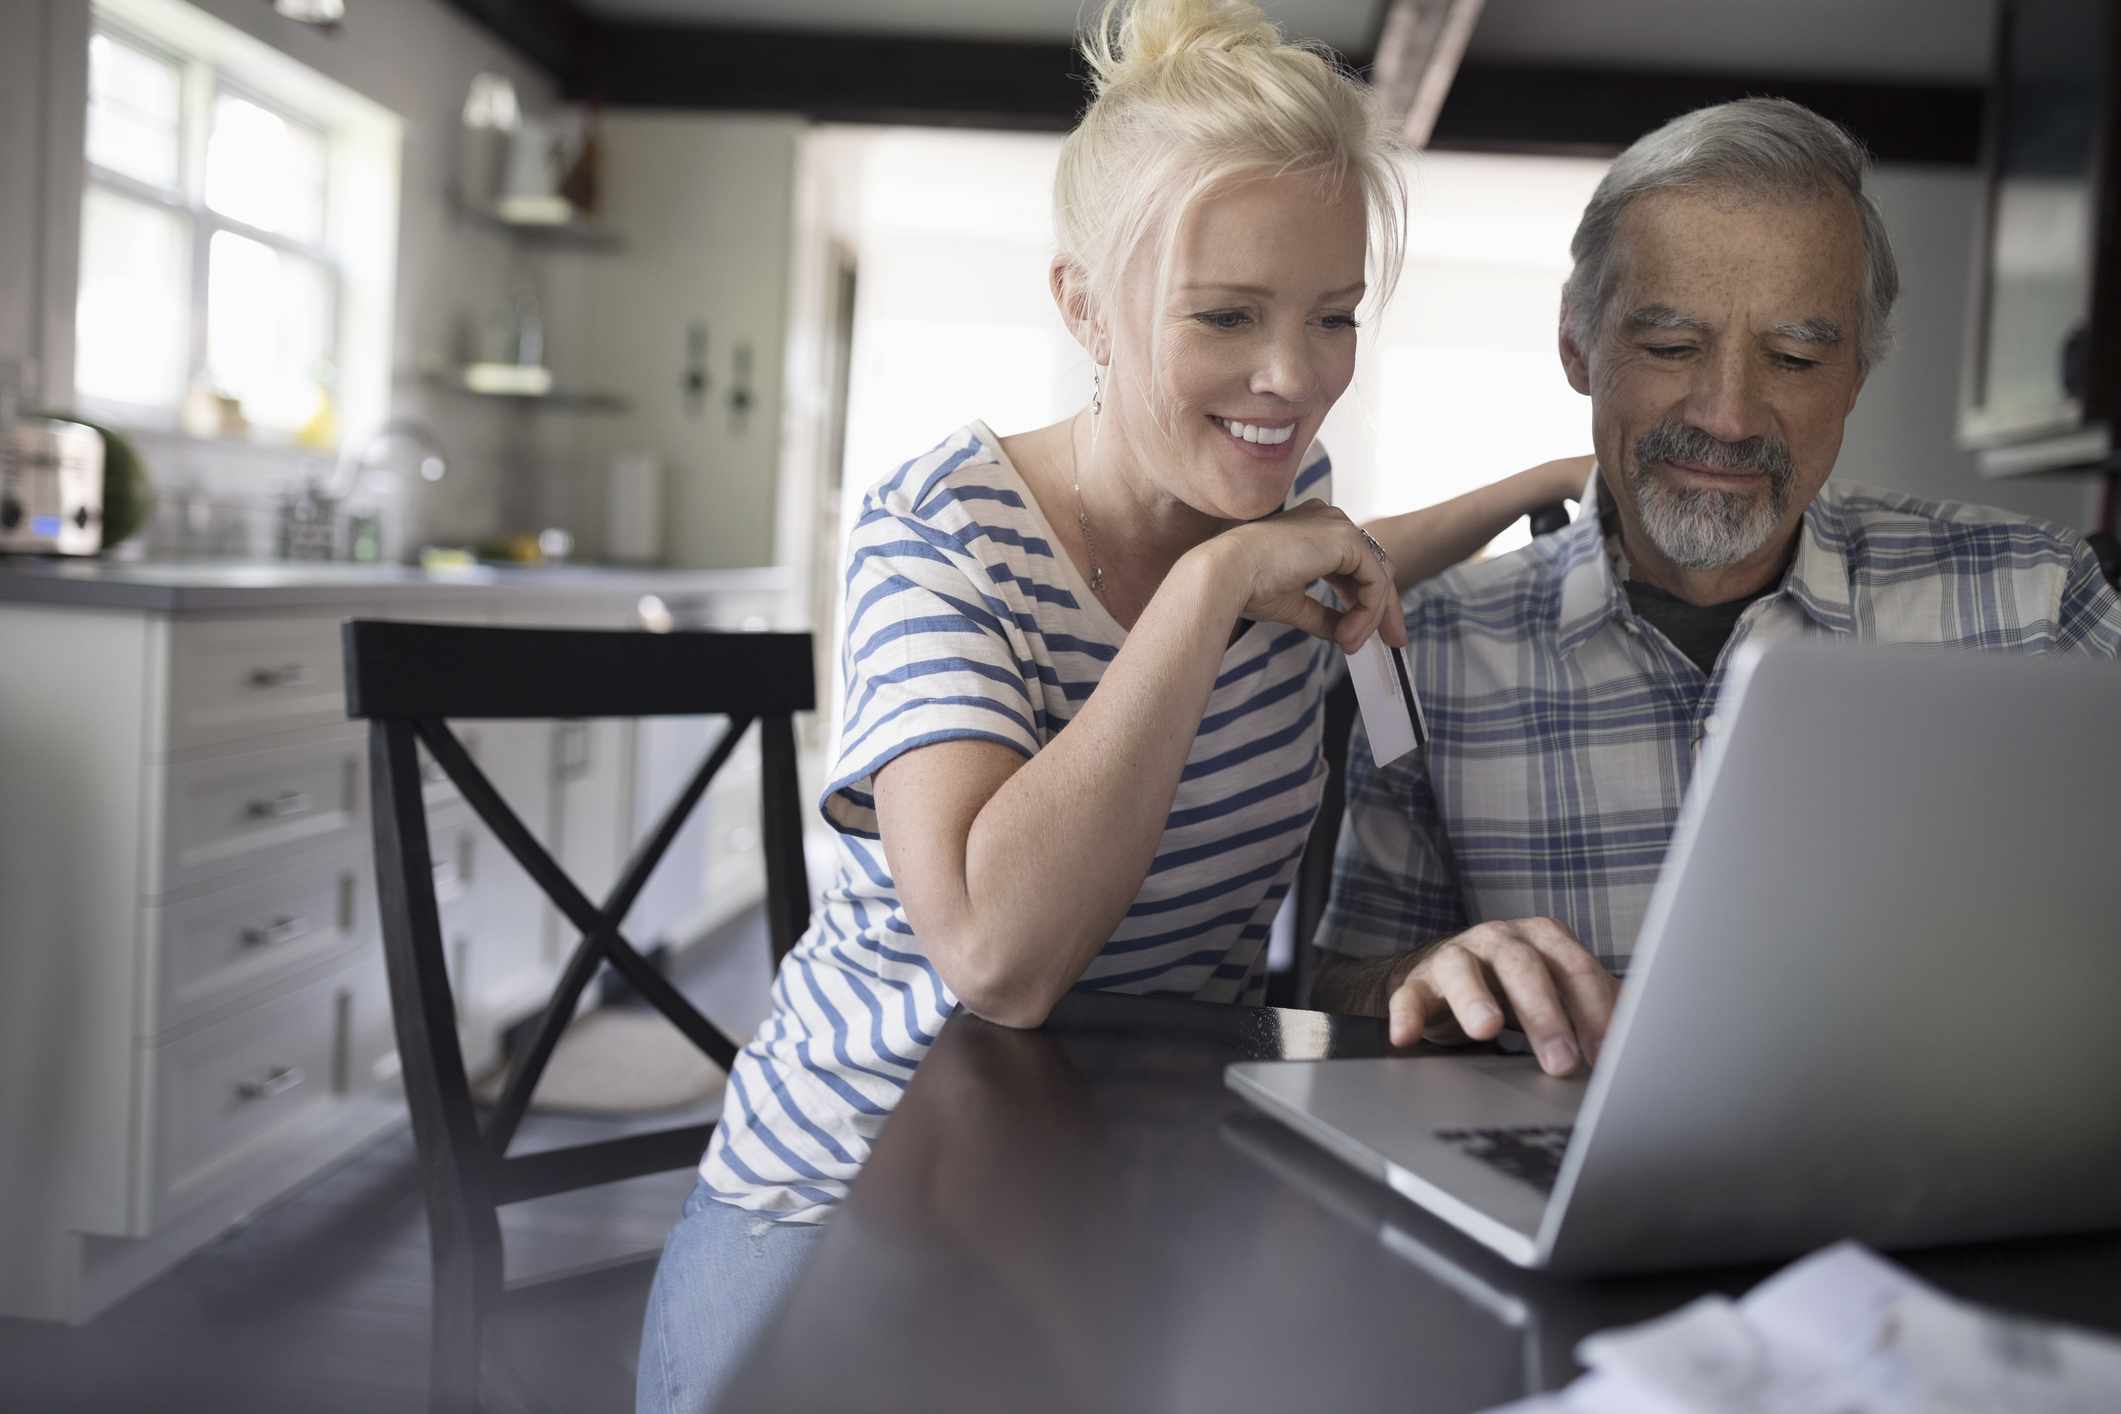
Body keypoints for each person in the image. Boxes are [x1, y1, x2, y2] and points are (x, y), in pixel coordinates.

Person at [635, 4, 1576, 1410]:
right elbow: (999, 962)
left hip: (1145, 1179)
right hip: (854, 1196)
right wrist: (1204, 597)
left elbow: (1352, 554)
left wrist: (1535, 492)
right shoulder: (941, 533)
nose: (1293, 378)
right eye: (1226, 317)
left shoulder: (1281, 520)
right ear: (1084, 306)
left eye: (1333, 318)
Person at [1311, 97, 2121, 1080]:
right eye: (1671, 348)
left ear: (1858, 369)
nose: (1731, 417)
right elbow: (1342, 987)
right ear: (1578, 347)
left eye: (1793, 357)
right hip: (1572, 1194)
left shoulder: (2038, 601)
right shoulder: (1429, 650)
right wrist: (1428, 974)